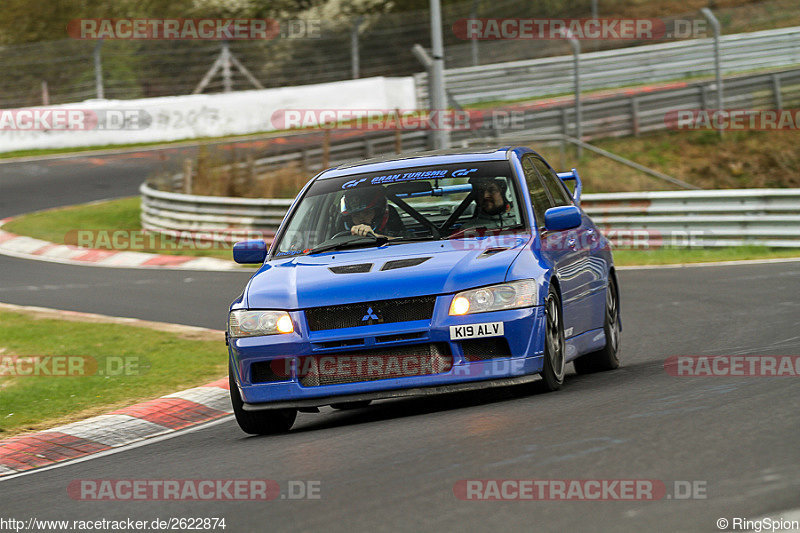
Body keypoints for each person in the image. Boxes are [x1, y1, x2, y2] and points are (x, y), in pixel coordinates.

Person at [340, 186, 405, 238]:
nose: (361, 219)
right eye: (355, 215)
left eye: (366, 213)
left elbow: (406, 242)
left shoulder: (393, 227)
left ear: (378, 213)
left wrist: (376, 236)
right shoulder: (342, 236)